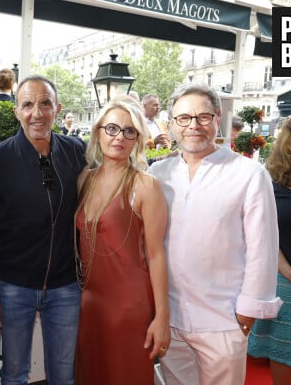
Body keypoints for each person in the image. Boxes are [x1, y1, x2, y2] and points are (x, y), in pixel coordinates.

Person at [147, 83, 282, 385]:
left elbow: (263, 247)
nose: (194, 125)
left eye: (203, 117)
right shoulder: (157, 174)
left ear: (217, 119)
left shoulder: (248, 173)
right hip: (170, 317)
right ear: (171, 124)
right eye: (184, 118)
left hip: (223, 319)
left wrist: (246, 314)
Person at [0, 75, 86, 385]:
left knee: (63, 376)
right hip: (14, 287)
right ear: (16, 111)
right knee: (13, 375)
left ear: (58, 109)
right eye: (27, 104)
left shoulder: (77, 151)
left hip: (66, 287)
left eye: (45, 104)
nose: (36, 113)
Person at [75, 97, 170, 385]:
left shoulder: (145, 185)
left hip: (129, 307)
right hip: (88, 304)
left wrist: (162, 317)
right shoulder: (84, 179)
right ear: (98, 132)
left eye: (130, 131)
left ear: (138, 140)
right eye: (112, 128)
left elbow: (156, 255)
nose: (119, 137)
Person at [248, 113, 291, 385]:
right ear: (288, 142)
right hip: (284, 282)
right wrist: (288, 272)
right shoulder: (270, 183)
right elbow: (263, 233)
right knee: (282, 355)